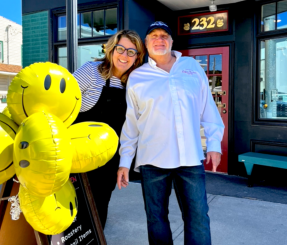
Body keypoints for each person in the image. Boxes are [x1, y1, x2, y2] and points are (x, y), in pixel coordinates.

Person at [117, 21, 224, 245]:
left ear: (172, 41)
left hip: (190, 160)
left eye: (164, 35)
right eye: (154, 36)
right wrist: (125, 161)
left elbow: (208, 108)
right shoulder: (137, 77)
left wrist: (214, 144)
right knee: (156, 220)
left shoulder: (191, 67)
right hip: (152, 161)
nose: (160, 39)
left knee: (198, 219)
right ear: (146, 44)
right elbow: (132, 123)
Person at [73, 29, 145, 229]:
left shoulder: (133, 83)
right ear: (111, 49)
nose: (124, 55)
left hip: (108, 161)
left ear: (137, 57)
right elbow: (61, 102)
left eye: (131, 52)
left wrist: (124, 164)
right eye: (120, 49)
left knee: (98, 209)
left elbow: (131, 128)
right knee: (71, 209)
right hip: (77, 157)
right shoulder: (91, 71)